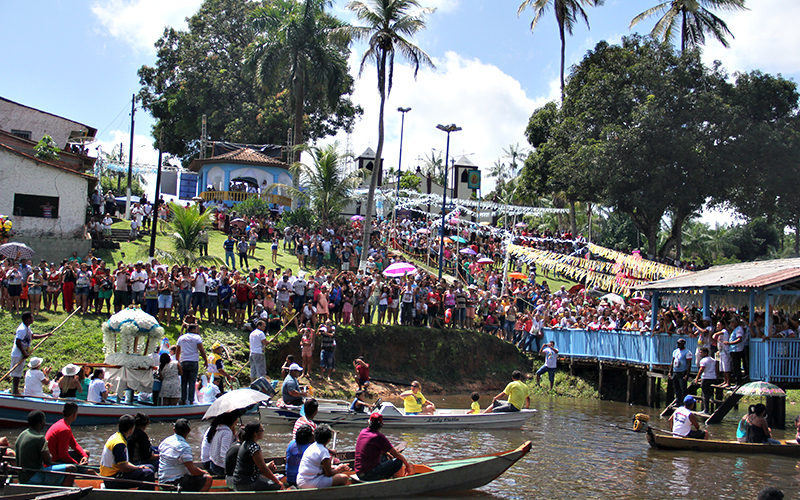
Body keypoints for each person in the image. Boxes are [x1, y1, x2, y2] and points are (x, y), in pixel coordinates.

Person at [16, 410, 76, 486]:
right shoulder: (40, 438)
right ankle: (66, 493)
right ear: (41, 422)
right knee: (72, 468)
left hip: (22, 477)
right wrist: (49, 455)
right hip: (34, 477)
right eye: (44, 420)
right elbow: (48, 461)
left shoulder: (22, 434)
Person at [99, 414, 156, 490]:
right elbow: (123, 468)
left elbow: (123, 463)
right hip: (112, 480)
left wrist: (138, 467)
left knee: (150, 467)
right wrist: (137, 468)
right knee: (148, 473)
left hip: (113, 475)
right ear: (132, 429)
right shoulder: (119, 443)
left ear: (118, 426)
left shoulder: (117, 436)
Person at [354, 412, 414, 481]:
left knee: (386, 457)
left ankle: (390, 477)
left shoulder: (363, 432)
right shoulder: (378, 437)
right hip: (368, 474)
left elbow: (376, 449)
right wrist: (407, 465)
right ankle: (397, 481)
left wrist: (388, 455)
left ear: (368, 422)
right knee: (399, 461)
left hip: (359, 472)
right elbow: (397, 454)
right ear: (381, 425)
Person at [158, 419, 212, 491]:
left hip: (162, 480)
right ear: (188, 431)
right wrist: (204, 472)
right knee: (208, 478)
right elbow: (192, 470)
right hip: (175, 482)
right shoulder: (184, 447)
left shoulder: (165, 441)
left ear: (174, 430)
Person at [233, 423, 286, 491]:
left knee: (270, 481)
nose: (263, 432)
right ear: (255, 433)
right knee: (277, 487)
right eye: (262, 430)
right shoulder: (254, 447)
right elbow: (263, 469)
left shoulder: (245, 444)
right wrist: (278, 482)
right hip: (247, 483)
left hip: (239, 481)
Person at [297, 424, 351, 489]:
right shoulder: (323, 452)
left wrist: (336, 468)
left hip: (301, 480)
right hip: (308, 483)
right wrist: (340, 468)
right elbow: (328, 474)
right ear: (328, 440)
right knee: (344, 478)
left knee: (335, 471)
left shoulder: (313, 445)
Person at [10, 312, 51, 395]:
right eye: (32, 317)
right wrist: (24, 352)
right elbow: (18, 341)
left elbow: (32, 336)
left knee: (19, 372)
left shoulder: (27, 328)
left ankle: (15, 391)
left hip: (23, 353)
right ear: (28, 319)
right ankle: (15, 391)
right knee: (16, 373)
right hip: (18, 353)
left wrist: (46, 335)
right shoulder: (22, 329)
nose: (33, 319)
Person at [45, 402, 90, 468]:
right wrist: (77, 464)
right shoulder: (64, 429)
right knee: (89, 471)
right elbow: (63, 455)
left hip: (57, 457)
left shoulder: (64, 424)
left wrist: (85, 456)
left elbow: (74, 444)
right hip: (54, 461)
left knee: (86, 453)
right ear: (74, 415)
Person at [176, 324, 208, 405]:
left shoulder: (181, 338)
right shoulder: (197, 338)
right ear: (194, 329)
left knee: (184, 382)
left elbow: (178, 350)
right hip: (193, 361)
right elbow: (201, 350)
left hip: (183, 361)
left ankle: (183, 399)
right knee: (192, 382)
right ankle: (191, 400)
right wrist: (205, 360)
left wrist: (177, 361)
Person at [206, 412, 238, 476]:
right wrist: (230, 469)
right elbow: (224, 454)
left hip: (214, 464)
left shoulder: (219, 429)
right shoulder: (227, 433)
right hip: (220, 467)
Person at [668, 338, 692, 406]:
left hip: (682, 372)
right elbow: (672, 362)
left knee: (683, 388)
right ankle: (677, 401)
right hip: (676, 371)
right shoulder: (675, 351)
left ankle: (683, 403)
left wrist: (687, 374)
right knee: (676, 388)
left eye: (679, 343)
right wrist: (670, 372)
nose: (678, 345)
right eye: (677, 343)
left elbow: (688, 364)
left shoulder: (687, 352)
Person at [693, 347, 717, 414]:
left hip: (706, 378)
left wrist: (697, 378)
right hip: (713, 378)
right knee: (710, 392)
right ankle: (711, 405)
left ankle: (706, 410)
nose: (700, 354)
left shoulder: (703, 360)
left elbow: (701, 370)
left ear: (705, 353)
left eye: (701, 352)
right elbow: (716, 368)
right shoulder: (713, 359)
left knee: (705, 395)